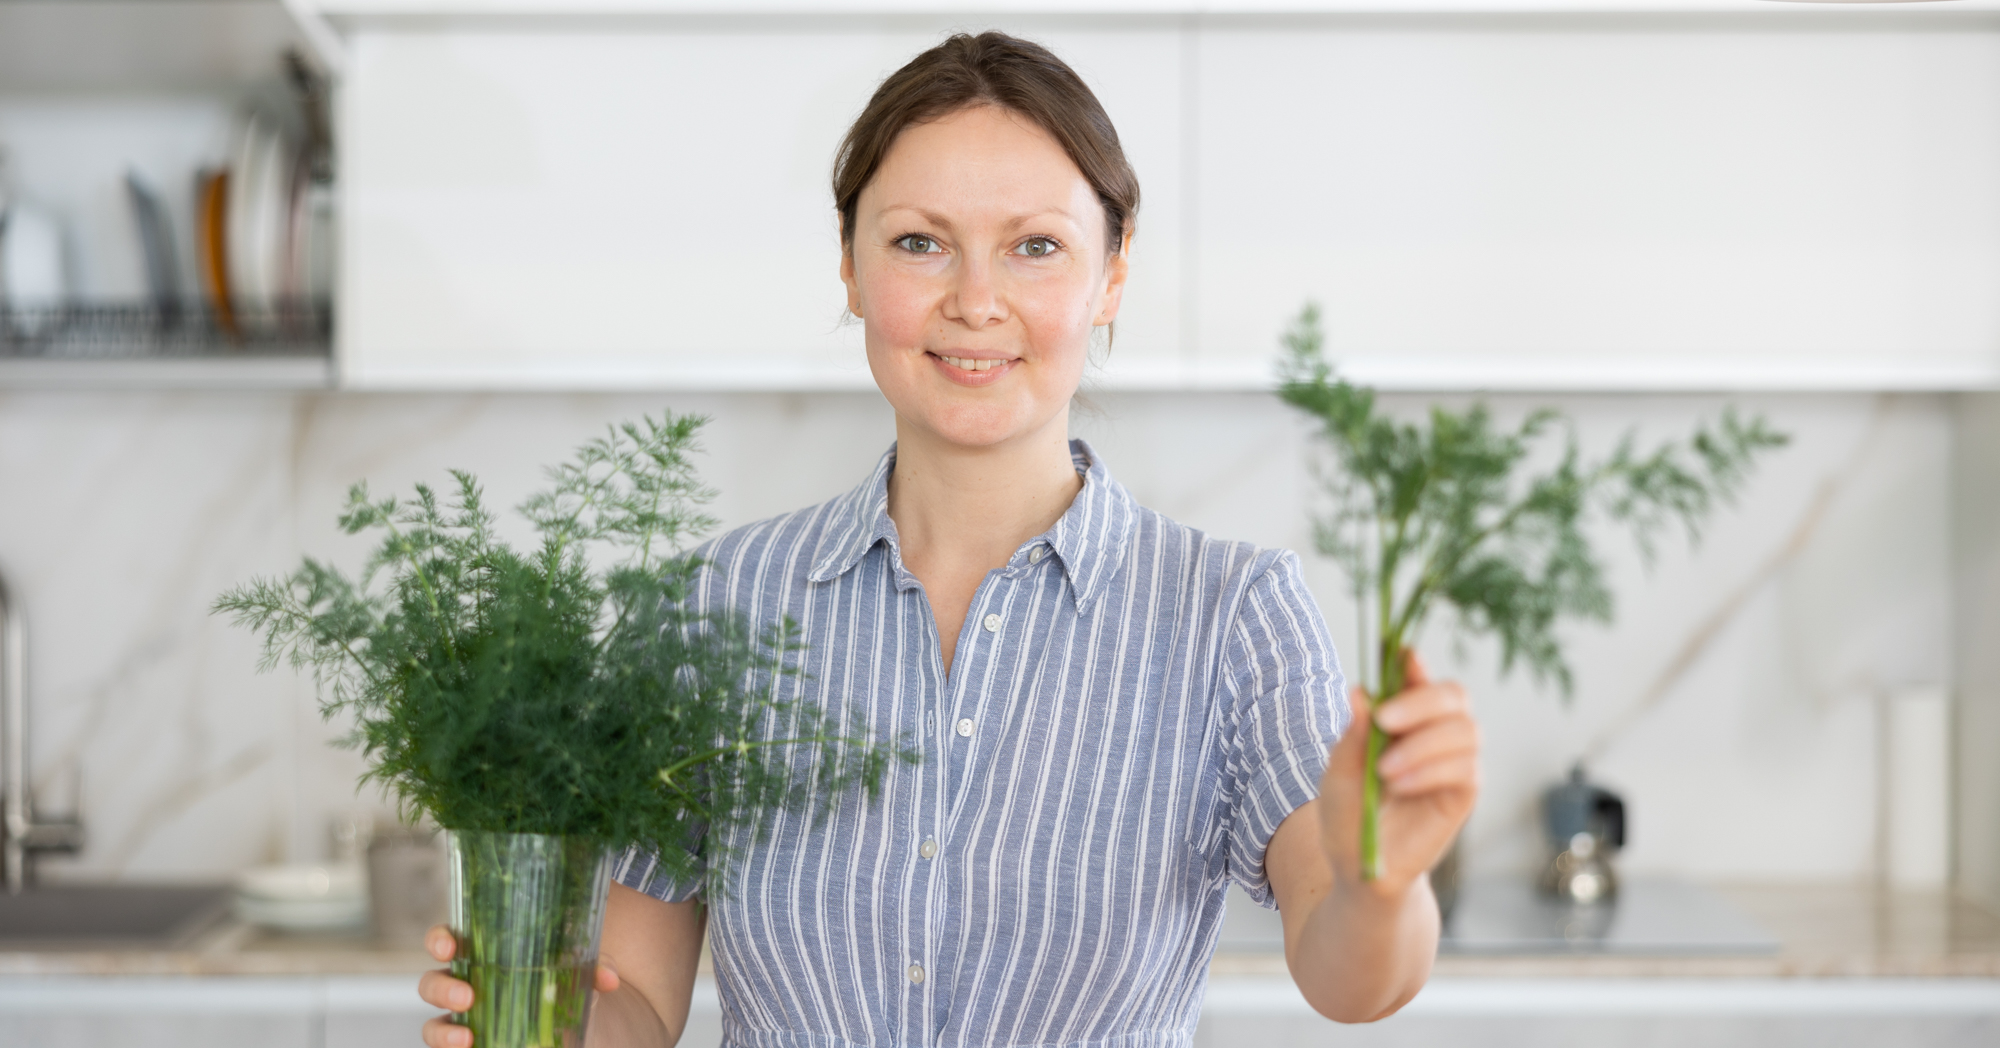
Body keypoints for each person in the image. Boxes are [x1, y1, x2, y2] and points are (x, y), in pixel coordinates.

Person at [419, 30, 1478, 1048]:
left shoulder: (1228, 613)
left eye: (1035, 247)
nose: (975, 302)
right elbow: (636, 1010)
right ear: (847, 266)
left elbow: (1348, 976)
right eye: (918, 242)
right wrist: (525, 1012)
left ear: (1111, 275)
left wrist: (1379, 882)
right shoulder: (710, 606)